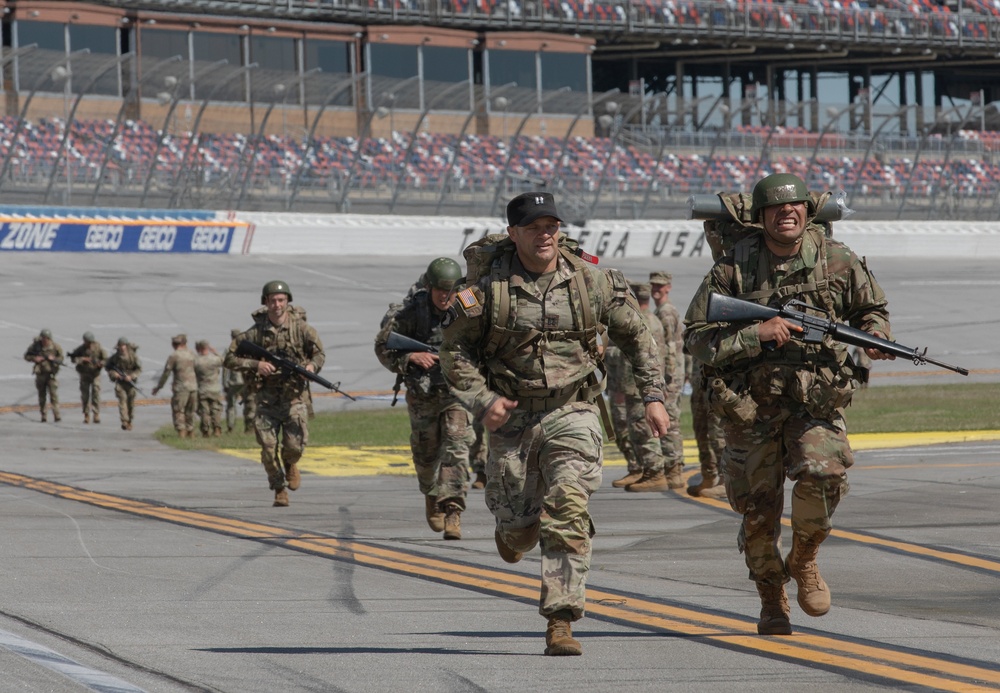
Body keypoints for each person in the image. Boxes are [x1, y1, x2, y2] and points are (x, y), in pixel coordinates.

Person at [441, 191, 669, 656]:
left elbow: (636, 335)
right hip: (511, 415)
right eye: (533, 227)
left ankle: (561, 619)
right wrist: (483, 400)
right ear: (513, 234)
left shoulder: (592, 281)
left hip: (575, 409)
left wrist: (653, 396)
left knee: (568, 503)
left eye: (551, 226)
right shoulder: (485, 290)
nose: (544, 235)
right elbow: (454, 352)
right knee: (520, 525)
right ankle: (512, 530)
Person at [684, 173, 894, 636]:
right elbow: (696, 339)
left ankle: (804, 558)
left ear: (807, 212)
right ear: (760, 218)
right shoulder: (732, 270)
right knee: (757, 513)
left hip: (813, 402)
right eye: (777, 209)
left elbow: (871, 310)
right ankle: (770, 597)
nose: (787, 214)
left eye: (795, 206)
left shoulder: (837, 260)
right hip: (750, 408)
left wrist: (876, 335)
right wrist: (753, 334)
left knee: (825, 473)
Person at [375, 257, 473, 540]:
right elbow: (383, 346)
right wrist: (410, 357)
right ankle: (431, 494)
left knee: (457, 447)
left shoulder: (470, 306)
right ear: (429, 287)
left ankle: (453, 509)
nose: (446, 297)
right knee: (426, 455)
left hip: (458, 392)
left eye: (452, 291)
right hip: (423, 393)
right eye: (441, 291)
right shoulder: (410, 311)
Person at [224, 280, 325, 507]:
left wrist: (310, 368)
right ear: (266, 303)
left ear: (287, 301)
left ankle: (290, 464)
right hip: (266, 399)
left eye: (281, 300)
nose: (277, 305)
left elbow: (319, 354)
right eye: (272, 300)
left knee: (294, 447)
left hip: (294, 398)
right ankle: (279, 488)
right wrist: (255, 365)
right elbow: (229, 359)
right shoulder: (254, 334)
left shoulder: (302, 330)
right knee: (268, 449)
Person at [606, 282, 669, 492]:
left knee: (642, 429)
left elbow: (635, 355)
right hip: (636, 384)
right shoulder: (650, 319)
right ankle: (644, 470)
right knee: (637, 429)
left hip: (633, 384)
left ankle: (654, 472)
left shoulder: (638, 320)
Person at [649, 271, 686, 488]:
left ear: (668, 287)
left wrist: (667, 378)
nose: (656, 290)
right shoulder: (662, 310)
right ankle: (672, 468)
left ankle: (674, 470)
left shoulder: (666, 312)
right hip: (671, 373)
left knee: (670, 422)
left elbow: (671, 348)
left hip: (670, 375)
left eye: (660, 286)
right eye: (653, 286)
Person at [152, 334, 198, 438]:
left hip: (181, 388)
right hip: (193, 387)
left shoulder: (174, 356)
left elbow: (166, 373)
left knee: (179, 410)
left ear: (174, 344)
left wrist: (159, 387)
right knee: (190, 411)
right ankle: (191, 431)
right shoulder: (192, 354)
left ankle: (181, 431)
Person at [24, 329, 64, 422]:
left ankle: (56, 414)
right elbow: (27, 356)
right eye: (43, 338)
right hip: (41, 374)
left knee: (54, 396)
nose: (44, 340)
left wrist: (53, 359)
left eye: (46, 338)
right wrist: (35, 358)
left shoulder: (55, 347)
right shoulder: (36, 346)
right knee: (42, 396)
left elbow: (61, 359)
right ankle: (43, 415)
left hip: (51, 375)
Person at [69, 332, 107, 424]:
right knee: (85, 396)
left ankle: (96, 414)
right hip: (84, 375)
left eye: (90, 342)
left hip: (95, 374)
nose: (89, 344)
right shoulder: (81, 349)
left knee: (96, 394)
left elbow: (106, 359)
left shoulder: (98, 348)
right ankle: (86, 414)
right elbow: (73, 358)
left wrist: (101, 363)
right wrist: (83, 359)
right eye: (87, 342)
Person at [105, 337, 142, 431]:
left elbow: (139, 369)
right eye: (120, 346)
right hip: (120, 383)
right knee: (122, 401)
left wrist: (131, 376)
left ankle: (130, 420)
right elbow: (108, 367)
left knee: (130, 404)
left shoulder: (133, 357)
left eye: (124, 345)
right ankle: (124, 421)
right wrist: (115, 374)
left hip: (130, 383)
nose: (122, 348)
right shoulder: (115, 358)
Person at [195, 340, 224, 437]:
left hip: (202, 389)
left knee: (204, 411)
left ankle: (205, 430)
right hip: (214, 388)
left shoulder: (197, 361)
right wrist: (215, 352)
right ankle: (216, 428)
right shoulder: (214, 359)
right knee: (215, 409)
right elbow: (224, 361)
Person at [223, 328, 248, 433]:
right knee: (249, 404)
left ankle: (231, 427)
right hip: (246, 381)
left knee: (231, 405)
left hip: (234, 381)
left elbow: (225, 368)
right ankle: (249, 427)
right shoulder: (247, 348)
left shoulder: (229, 350)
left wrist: (225, 383)